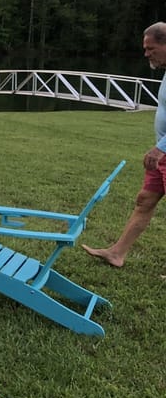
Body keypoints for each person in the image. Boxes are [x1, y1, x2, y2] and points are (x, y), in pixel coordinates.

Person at [83, 21, 166, 267]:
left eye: (151, 48)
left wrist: (160, 148)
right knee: (145, 200)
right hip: (162, 153)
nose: (146, 54)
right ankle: (117, 253)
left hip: (163, 151)